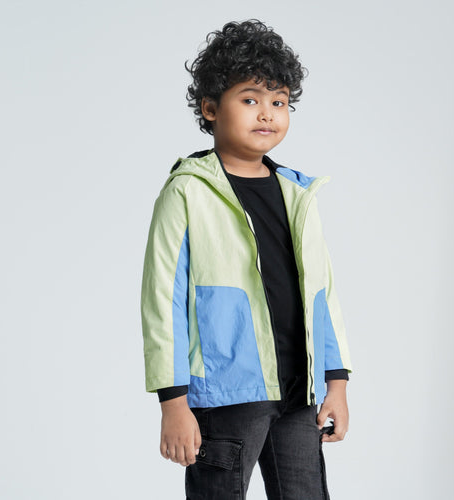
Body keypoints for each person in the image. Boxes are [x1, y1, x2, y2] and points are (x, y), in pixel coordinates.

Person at [140, 19, 353, 499]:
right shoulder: (187, 192)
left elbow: (323, 295)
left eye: (279, 102)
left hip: (299, 391)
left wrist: (336, 382)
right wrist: (173, 401)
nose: (267, 114)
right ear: (210, 108)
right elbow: (162, 301)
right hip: (225, 393)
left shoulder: (298, 195)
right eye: (251, 99)